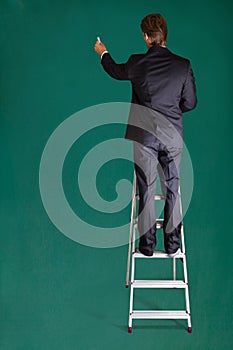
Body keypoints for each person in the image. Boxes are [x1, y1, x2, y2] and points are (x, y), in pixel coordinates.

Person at [94, 13, 197, 257]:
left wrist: (103, 52)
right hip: (172, 136)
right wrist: (171, 111)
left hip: (145, 137)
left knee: (147, 189)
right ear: (165, 36)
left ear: (146, 37)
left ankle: (147, 246)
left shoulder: (138, 63)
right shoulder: (183, 65)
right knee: (173, 187)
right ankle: (172, 245)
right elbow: (190, 103)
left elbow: (116, 71)